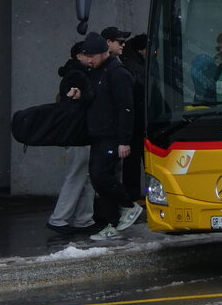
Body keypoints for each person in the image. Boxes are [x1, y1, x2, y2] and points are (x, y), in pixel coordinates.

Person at [80, 32, 144, 241]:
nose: (90, 60)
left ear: (104, 52)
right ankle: (111, 223)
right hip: (99, 134)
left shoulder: (118, 74)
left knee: (102, 176)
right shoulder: (97, 72)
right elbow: (97, 98)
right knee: (99, 179)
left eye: (93, 56)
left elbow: (126, 108)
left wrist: (124, 141)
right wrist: (80, 95)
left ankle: (128, 205)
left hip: (112, 136)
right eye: (87, 56)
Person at [46, 41, 97, 235]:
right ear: (79, 56)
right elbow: (85, 100)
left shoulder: (74, 74)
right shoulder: (78, 75)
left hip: (77, 133)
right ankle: (60, 218)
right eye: (88, 54)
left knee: (83, 177)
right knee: (78, 176)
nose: (91, 58)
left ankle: (83, 219)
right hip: (79, 133)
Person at [119, 33, 147, 202]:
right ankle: (133, 195)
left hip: (135, 120)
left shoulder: (129, 63)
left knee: (132, 161)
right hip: (137, 121)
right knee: (134, 159)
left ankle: (132, 195)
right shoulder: (134, 67)